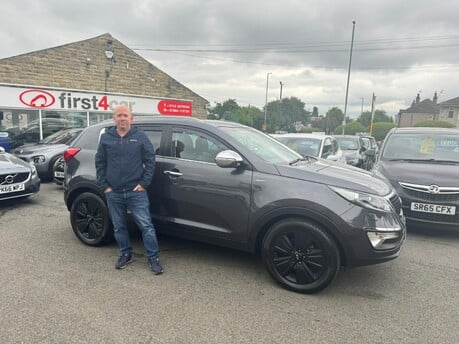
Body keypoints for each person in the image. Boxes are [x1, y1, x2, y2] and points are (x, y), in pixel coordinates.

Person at [95, 104, 163, 275]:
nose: (122, 118)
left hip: (136, 191)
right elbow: (100, 163)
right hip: (114, 191)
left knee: (146, 226)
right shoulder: (106, 138)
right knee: (119, 227)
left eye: (125, 115)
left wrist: (144, 183)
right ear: (114, 118)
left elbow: (150, 160)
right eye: (119, 115)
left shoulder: (139, 136)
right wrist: (105, 186)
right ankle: (126, 254)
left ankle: (153, 257)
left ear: (131, 118)